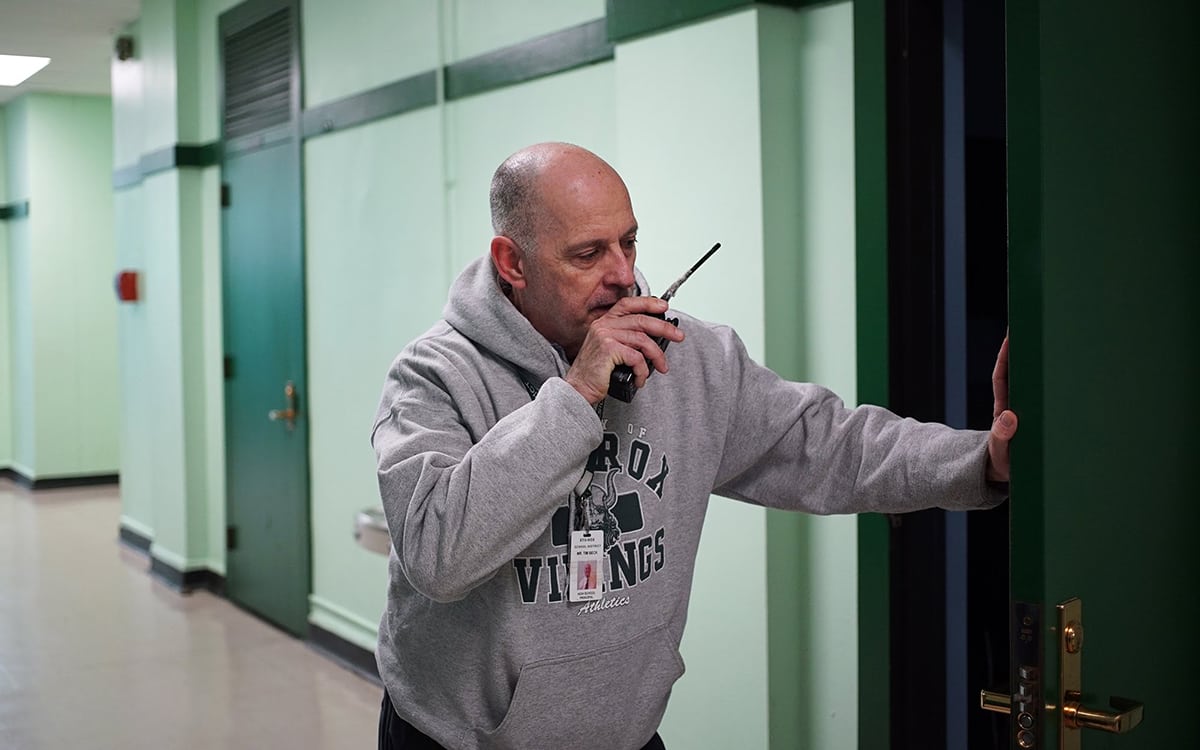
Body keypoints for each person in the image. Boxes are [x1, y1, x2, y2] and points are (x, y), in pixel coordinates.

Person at [371, 142, 1017, 750]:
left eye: (628, 242)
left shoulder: (692, 357)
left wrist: (980, 460)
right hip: (461, 740)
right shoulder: (432, 376)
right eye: (588, 254)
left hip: (625, 733)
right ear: (513, 263)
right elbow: (438, 555)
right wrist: (574, 400)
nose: (623, 275)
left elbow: (830, 445)